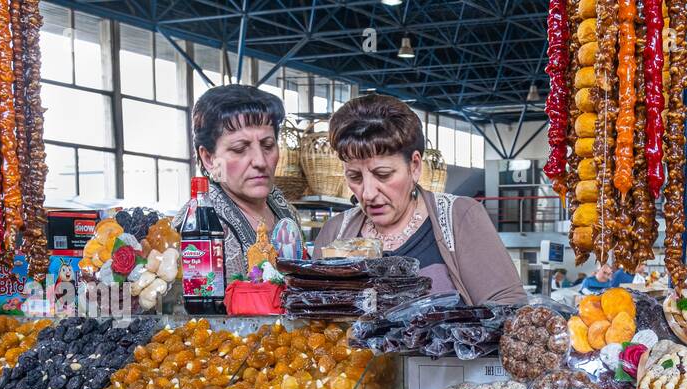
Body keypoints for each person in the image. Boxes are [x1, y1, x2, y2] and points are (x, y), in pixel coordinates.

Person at [314, 94, 526, 305]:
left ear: (414, 166)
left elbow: (507, 305)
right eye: (355, 177)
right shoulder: (334, 232)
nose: (368, 193)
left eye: (383, 175)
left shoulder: (459, 218)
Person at [190, 84, 303, 280]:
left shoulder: (285, 210)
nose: (260, 161)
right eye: (240, 149)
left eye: (268, 145)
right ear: (209, 158)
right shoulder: (198, 226)